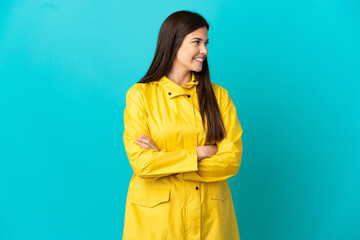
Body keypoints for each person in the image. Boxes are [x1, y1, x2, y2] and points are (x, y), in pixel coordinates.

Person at [122, 10, 243, 240]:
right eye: (196, 42)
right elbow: (143, 164)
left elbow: (231, 161)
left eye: (206, 43)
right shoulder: (140, 96)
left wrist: (165, 159)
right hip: (159, 223)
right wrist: (198, 153)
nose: (204, 51)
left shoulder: (219, 97)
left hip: (211, 220)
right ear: (173, 43)